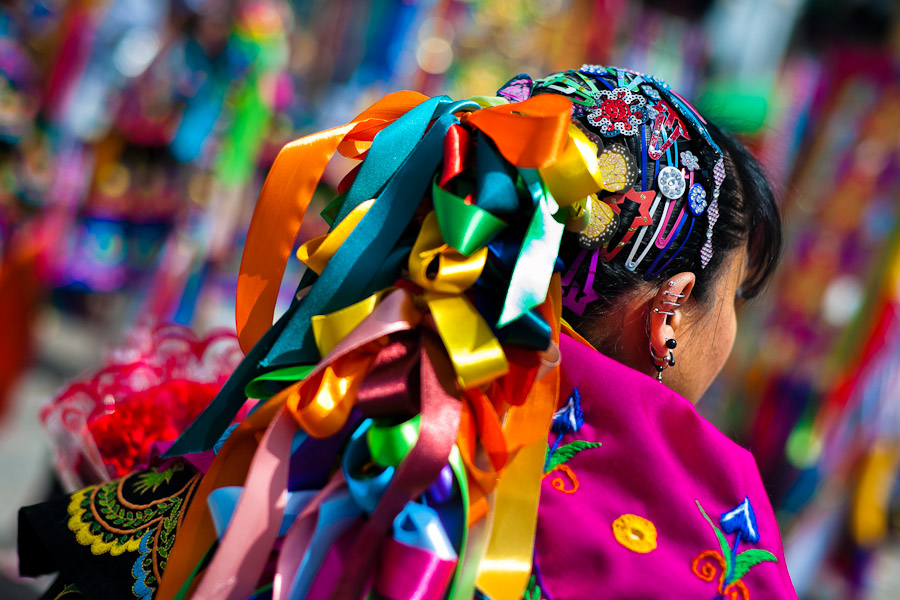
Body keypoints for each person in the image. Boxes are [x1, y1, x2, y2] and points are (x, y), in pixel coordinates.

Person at [18, 65, 797, 599]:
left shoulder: (299, 422)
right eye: (734, 299)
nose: (727, 332)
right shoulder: (702, 523)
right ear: (670, 310)